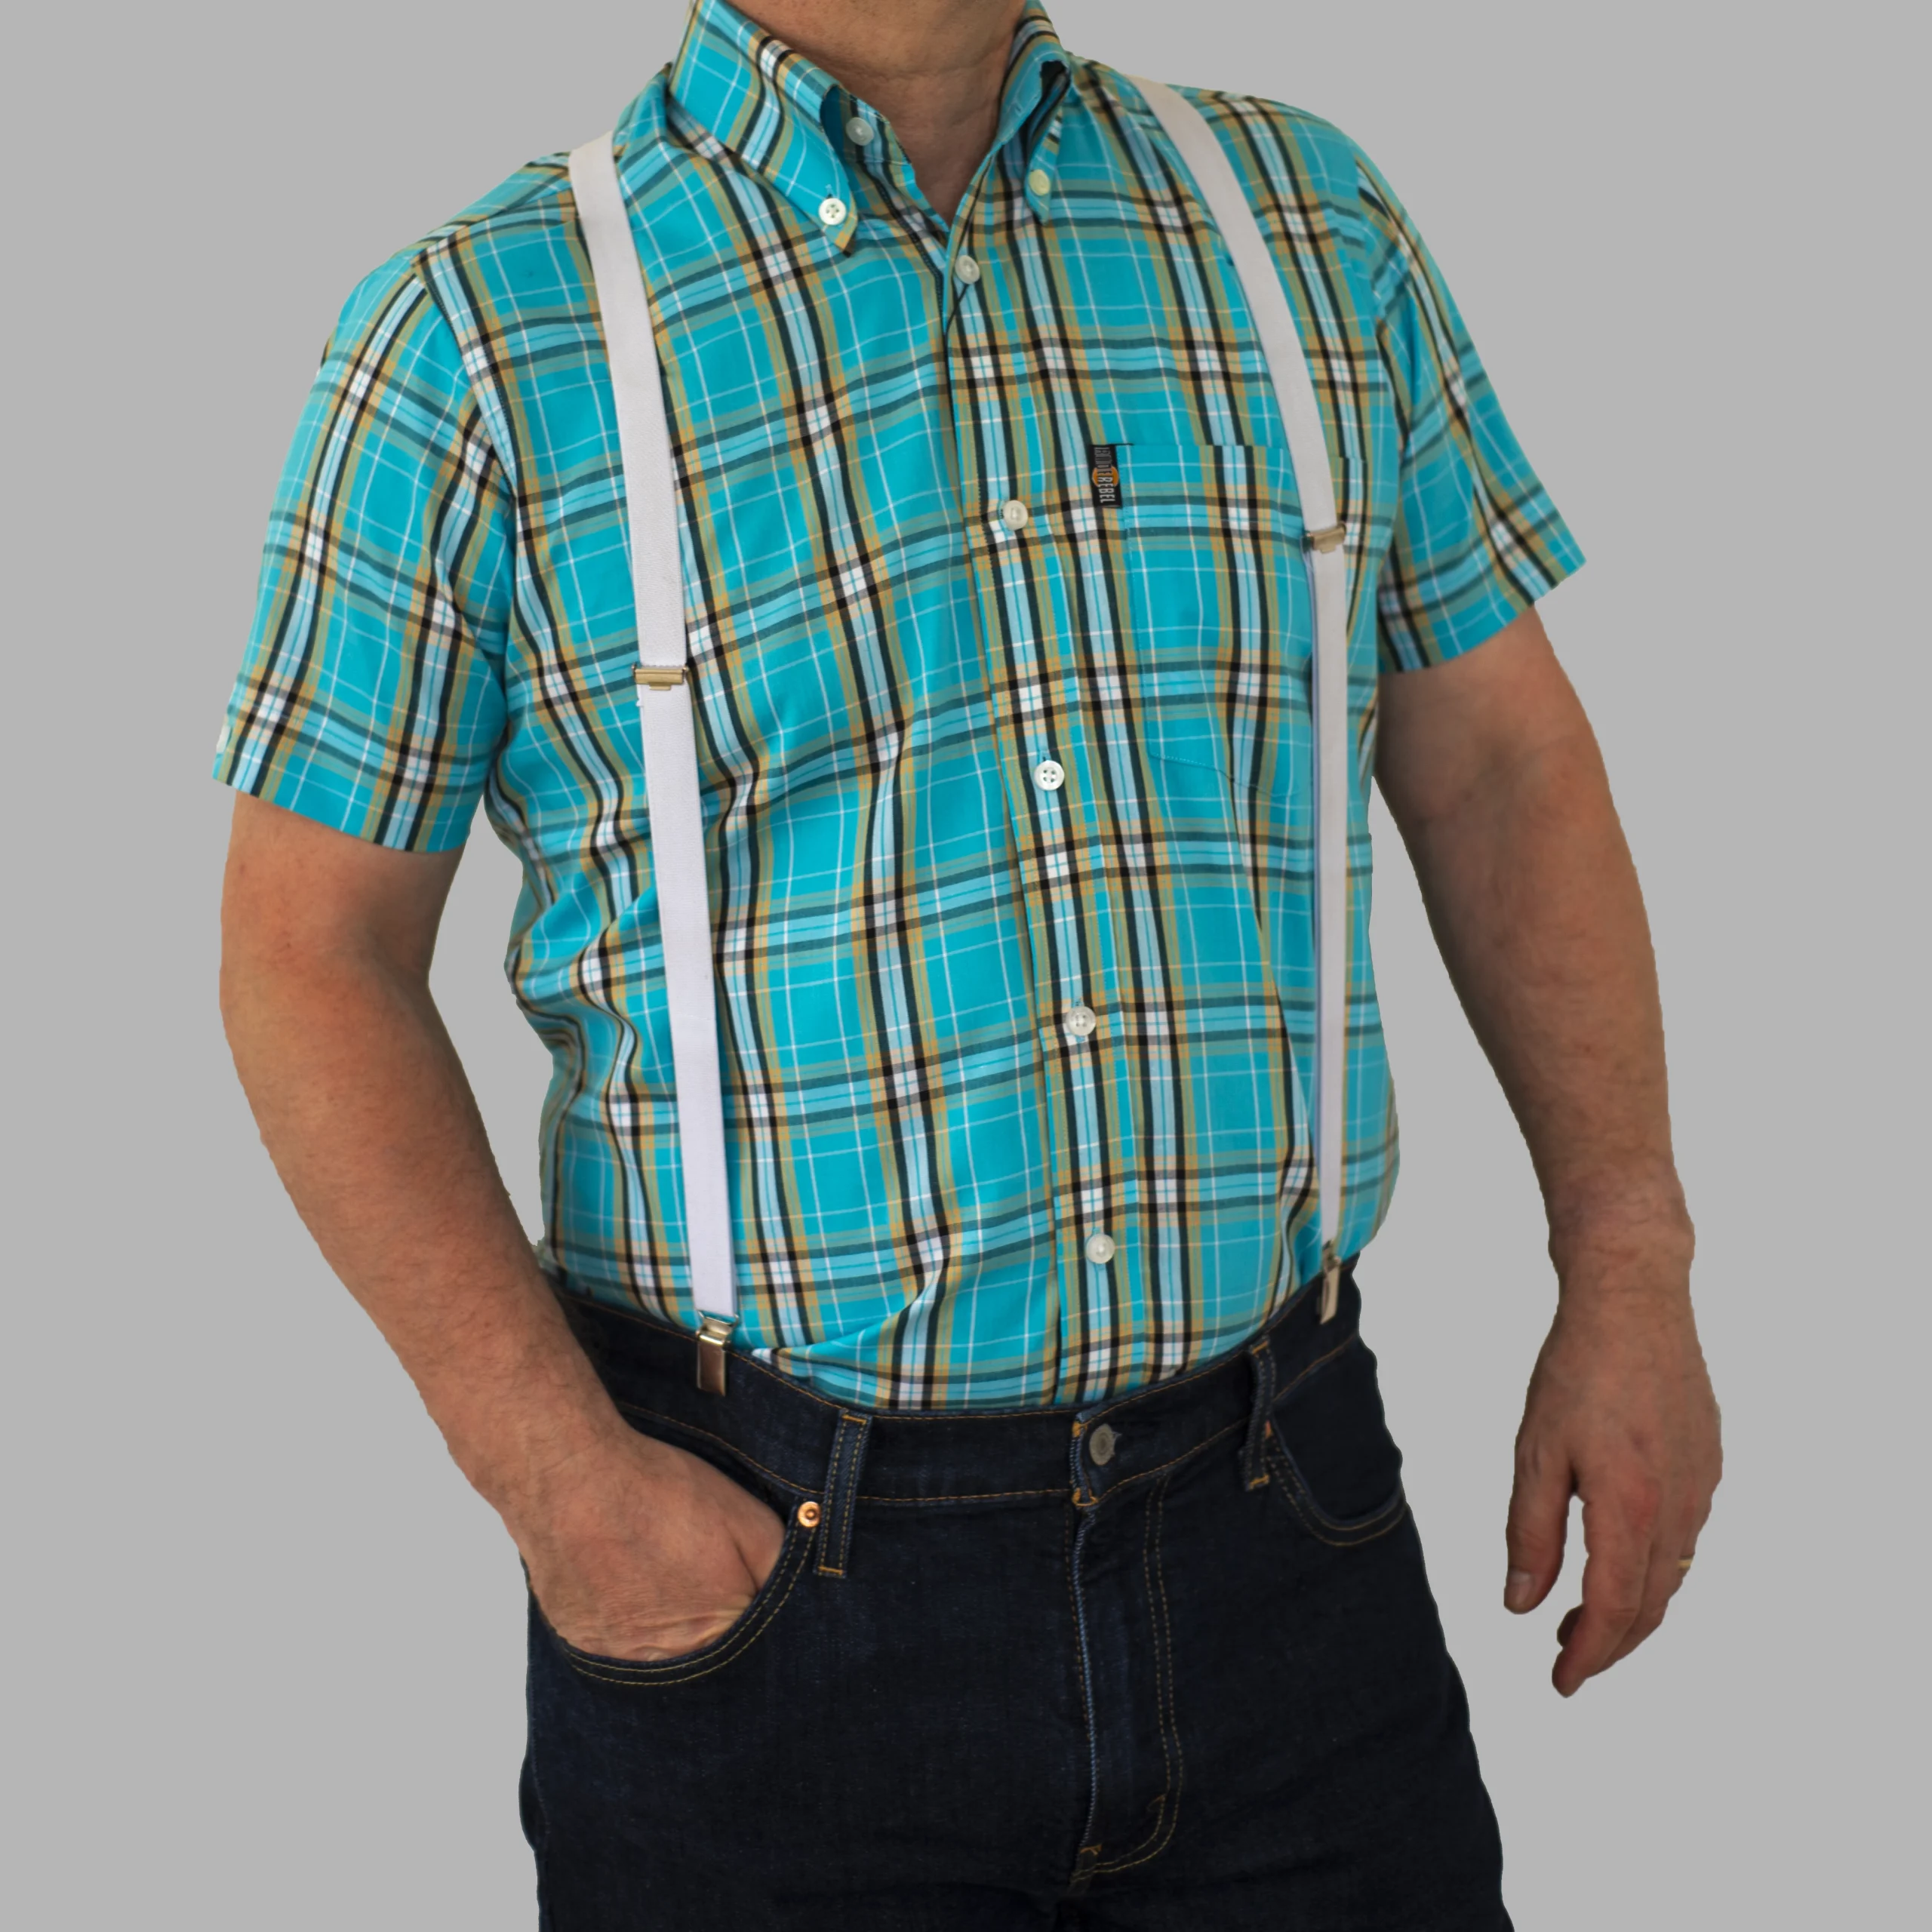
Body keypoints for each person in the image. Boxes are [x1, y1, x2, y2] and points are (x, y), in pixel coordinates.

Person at [214, 1, 1721, 1923]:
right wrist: (564, 1488)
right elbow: (308, 949)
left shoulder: (1299, 221)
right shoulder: (482, 335)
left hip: (1287, 1533)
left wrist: (1625, 1260)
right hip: (761, 1589)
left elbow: (1499, 767)